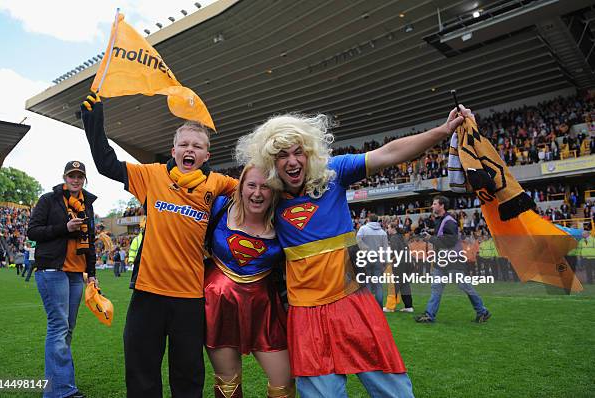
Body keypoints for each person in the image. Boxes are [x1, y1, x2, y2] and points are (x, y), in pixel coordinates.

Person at [237, 105, 469, 397]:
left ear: (310, 152)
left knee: (395, 393)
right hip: (306, 316)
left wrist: (443, 131)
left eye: (298, 152)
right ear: (271, 162)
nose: (292, 161)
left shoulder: (334, 174)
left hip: (352, 303)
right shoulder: (268, 197)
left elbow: (389, 153)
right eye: (282, 155)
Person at [81, 93, 237, 397]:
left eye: (197, 146)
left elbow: (255, 190)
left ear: (207, 155)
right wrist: (93, 120)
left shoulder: (218, 183)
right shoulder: (151, 175)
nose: (190, 149)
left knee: (188, 377)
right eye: (184, 144)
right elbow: (105, 162)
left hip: (190, 298)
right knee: (141, 374)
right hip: (147, 295)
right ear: (173, 150)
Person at [205, 164, 293, 398]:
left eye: (265, 187)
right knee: (228, 383)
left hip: (265, 310)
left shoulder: (284, 220)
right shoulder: (219, 208)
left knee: (283, 381)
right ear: (240, 187)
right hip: (218, 306)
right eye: (251, 185)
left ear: (274, 191)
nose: (257, 193)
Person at [27, 160, 98, 398]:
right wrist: (64, 227)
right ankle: (61, 391)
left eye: (79, 176)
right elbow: (33, 232)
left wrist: (93, 275)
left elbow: (91, 243)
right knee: (59, 328)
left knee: (67, 330)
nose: (75, 179)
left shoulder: (87, 204)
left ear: (84, 179)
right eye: (71, 175)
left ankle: (60, 386)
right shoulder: (49, 199)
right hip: (52, 270)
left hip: (76, 274)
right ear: (64, 177)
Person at [415, 196, 491, 324]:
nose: (432, 206)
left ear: (442, 206)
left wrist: (430, 239)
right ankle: (429, 314)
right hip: (443, 260)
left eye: (434, 204)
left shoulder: (449, 221)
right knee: (436, 287)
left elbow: (450, 241)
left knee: (464, 286)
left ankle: (482, 311)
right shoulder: (442, 220)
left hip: (453, 260)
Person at [356, 213, 389, 308]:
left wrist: (364, 248)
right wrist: (386, 261)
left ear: (369, 220)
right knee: (378, 284)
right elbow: (385, 248)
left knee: (368, 283)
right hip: (378, 259)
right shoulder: (382, 232)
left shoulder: (363, 229)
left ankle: (368, 307)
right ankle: (379, 307)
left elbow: (357, 240)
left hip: (366, 257)